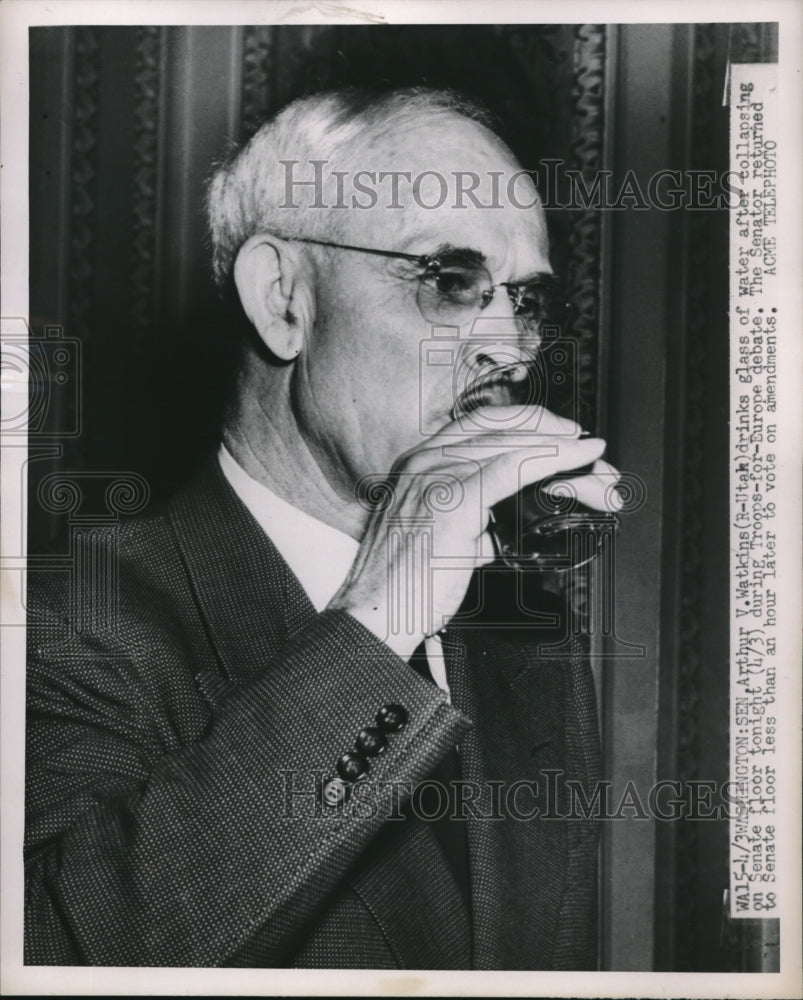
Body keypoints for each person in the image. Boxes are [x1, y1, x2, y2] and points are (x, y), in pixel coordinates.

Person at [25, 87, 620, 969]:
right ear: (283, 301)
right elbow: (66, 953)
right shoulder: (64, 619)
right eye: (449, 280)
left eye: (525, 299)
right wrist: (376, 621)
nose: (512, 347)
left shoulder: (525, 635)